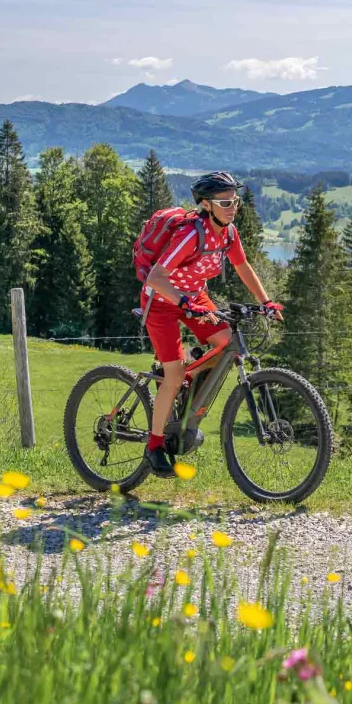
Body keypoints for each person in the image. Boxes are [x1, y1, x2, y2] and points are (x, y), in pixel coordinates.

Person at [140, 171, 282, 477]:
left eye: (236, 201)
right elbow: (156, 277)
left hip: (194, 297)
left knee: (226, 342)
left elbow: (242, 265)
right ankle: (154, 446)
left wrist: (266, 301)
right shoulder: (191, 234)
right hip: (162, 302)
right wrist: (182, 302)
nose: (233, 207)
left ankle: (187, 375)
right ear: (206, 204)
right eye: (225, 202)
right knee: (174, 375)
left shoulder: (229, 233)